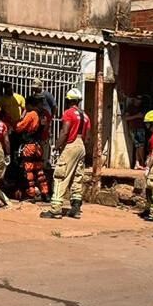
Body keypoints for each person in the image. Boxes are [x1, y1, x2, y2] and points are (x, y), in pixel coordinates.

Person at [42, 88, 90, 220]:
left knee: (60, 175)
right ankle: (76, 207)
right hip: (81, 146)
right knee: (77, 177)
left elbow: (65, 131)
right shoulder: (85, 116)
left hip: (71, 145)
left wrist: (57, 146)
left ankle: (55, 209)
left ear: (68, 100)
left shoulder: (68, 113)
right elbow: (87, 137)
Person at [14, 96, 50, 202]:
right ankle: (45, 193)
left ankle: (31, 194)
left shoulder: (31, 114)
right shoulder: (43, 115)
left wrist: (21, 117)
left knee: (28, 169)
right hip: (39, 146)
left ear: (30, 105)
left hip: (30, 145)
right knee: (39, 170)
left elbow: (19, 127)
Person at [123, 95, 147, 169]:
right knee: (140, 146)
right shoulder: (130, 108)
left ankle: (137, 163)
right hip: (134, 128)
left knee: (138, 146)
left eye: (140, 99)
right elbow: (126, 118)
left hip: (140, 128)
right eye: (137, 99)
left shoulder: (142, 108)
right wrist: (137, 116)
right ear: (134, 99)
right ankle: (142, 162)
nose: (139, 101)